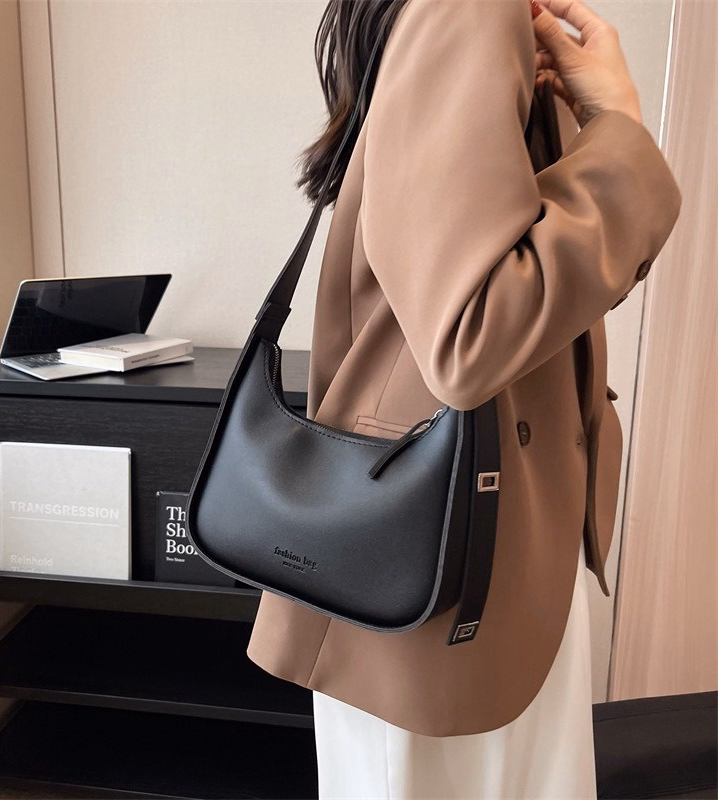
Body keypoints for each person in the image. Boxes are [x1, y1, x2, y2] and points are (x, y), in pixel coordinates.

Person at [245, 0, 683, 797]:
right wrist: (619, 132)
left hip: (468, 542)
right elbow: (472, 331)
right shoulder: (466, 9)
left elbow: (532, 293)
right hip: (443, 560)